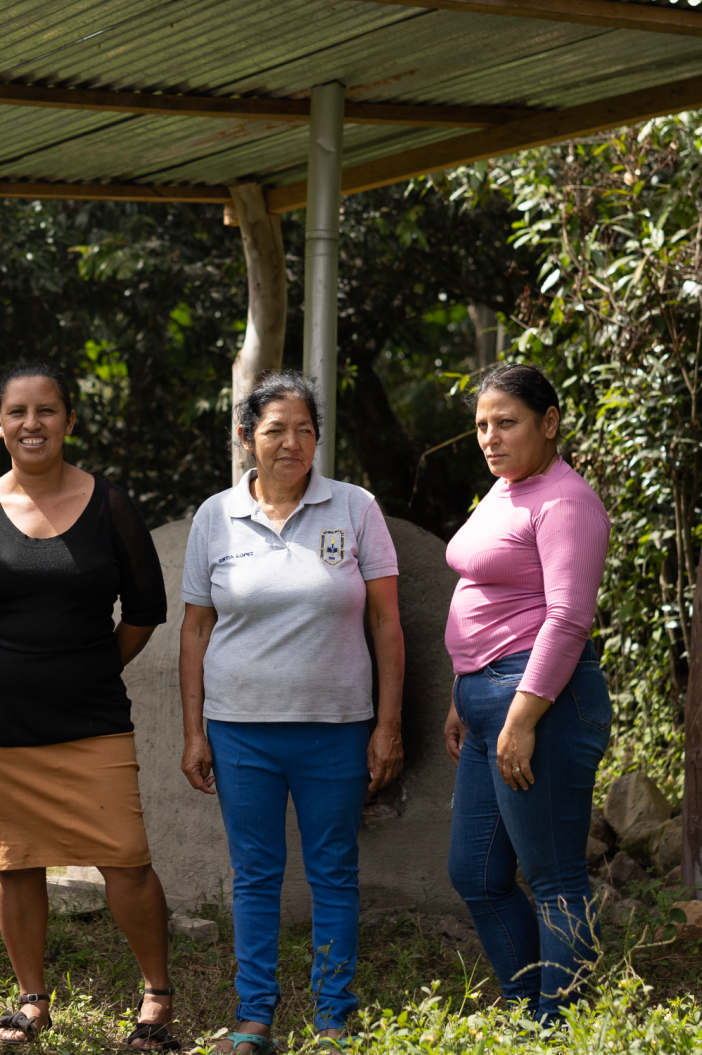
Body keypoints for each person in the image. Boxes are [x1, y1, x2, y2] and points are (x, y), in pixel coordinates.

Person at [0, 363, 175, 1051]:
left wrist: (86, 666)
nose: (31, 423)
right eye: (17, 411)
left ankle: (156, 995)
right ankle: (32, 998)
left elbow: (146, 610)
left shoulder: (111, 505)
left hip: (91, 716)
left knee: (125, 859)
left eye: (47, 410)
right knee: (16, 859)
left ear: (69, 419)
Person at [178, 370, 404, 1053]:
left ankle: (333, 1018)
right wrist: (193, 730)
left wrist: (388, 724)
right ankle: (254, 1019)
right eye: (275, 429)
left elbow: (388, 625)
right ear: (246, 437)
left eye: (305, 429)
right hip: (240, 728)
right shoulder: (215, 516)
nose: (291, 442)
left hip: (336, 727)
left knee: (334, 870)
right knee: (255, 875)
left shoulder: (355, 507)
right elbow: (194, 630)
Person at [442, 363, 610, 1023]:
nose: (490, 437)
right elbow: (491, 596)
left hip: (543, 704)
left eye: (506, 422)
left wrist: (521, 715)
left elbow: (568, 617)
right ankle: (529, 1012)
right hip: (491, 701)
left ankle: (560, 1024)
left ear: (549, 422)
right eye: (482, 424)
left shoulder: (566, 500)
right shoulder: (507, 491)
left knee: (554, 879)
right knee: (476, 875)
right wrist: (465, 694)